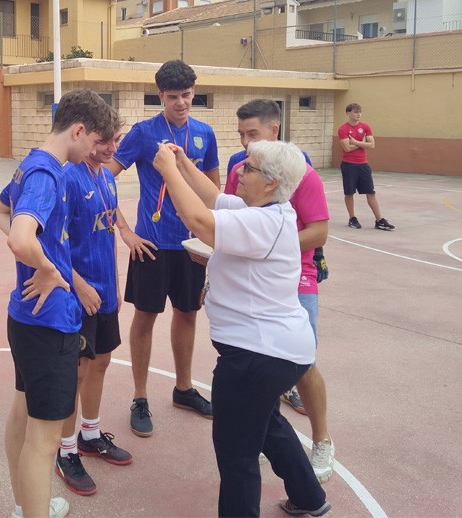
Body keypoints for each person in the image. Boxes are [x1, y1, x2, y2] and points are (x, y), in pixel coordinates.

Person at [153, 139, 331, 517]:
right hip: (280, 352)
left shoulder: (262, 221)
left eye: (248, 168)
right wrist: (183, 164)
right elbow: (214, 198)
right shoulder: (269, 210)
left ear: (271, 182)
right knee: (267, 424)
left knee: (236, 454)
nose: (239, 171)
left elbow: (200, 222)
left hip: (256, 357)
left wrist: (167, 169)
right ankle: (310, 498)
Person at [0, 89, 114, 518]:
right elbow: (20, 236)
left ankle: (26, 506)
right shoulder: (48, 174)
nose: (99, 152)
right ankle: (31, 511)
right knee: (43, 441)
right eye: (96, 142)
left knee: (23, 417)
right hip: (50, 323)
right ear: (78, 130)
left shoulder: (31, 165)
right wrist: (46, 268)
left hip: (25, 318)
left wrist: (39, 259)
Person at [224, 99, 335, 483]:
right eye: (240, 135)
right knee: (255, 362)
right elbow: (230, 218)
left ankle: (322, 441)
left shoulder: (299, 172)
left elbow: (319, 232)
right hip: (250, 278)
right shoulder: (241, 168)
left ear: (274, 131)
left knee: (301, 363)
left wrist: (271, 246)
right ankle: (263, 436)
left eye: (251, 134)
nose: (244, 143)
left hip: (295, 276)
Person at [107, 59, 219, 437]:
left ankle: (183, 389)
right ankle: (140, 397)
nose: (181, 103)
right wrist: (125, 231)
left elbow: (214, 191)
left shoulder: (205, 133)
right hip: (151, 245)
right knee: (146, 317)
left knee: (188, 314)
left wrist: (212, 237)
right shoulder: (143, 133)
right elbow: (104, 179)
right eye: (173, 97)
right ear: (161, 96)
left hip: (191, 245)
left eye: (187, 95)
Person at [55, 112, 132, 496]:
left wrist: (114, 281)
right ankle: (65, 450)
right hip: (78, 295)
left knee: (102, 361)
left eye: (116, 140)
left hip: (104, 291)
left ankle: (90, 433)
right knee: (79, 370)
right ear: (84, 136)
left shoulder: (105, 174)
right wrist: (79, 284)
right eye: (105, 142)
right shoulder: (67, 177)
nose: (112, 149)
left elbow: (109, 224)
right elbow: (49, 241)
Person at [338, 103, 395, 230]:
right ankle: (352, 218)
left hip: (363, 165)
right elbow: (347, 148)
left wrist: (356, 142)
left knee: (371, 193)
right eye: (355, 112)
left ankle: (379, 220)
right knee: (349, 193)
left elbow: (372, 145)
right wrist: (363, 143)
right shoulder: (343, 129)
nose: (358, 114)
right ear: (348, 113)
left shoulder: (365, 127)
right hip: (349, 165)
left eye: (360, 112)